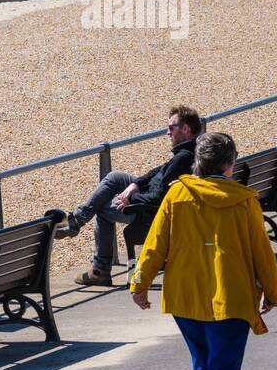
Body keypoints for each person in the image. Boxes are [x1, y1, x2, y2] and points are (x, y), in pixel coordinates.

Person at [130, 131, 277, 370]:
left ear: (199, 161)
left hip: (185, 294)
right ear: (230, 164)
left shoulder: (177, 194)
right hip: (230, 295)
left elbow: (156, 244)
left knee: (204, 363)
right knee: (224, 366)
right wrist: (272, 292)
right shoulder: (244, 200)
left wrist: (140, 283)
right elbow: (262, 253)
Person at [57, 105, 203, 287]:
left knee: (102, 209)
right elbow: (158, 171)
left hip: (148, 212)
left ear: (185, 129)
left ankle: (100, 270)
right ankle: (78, 219)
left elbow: (158, 197)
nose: (167, 133)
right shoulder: (195, 149)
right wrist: (135, 184)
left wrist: (130, 199)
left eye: (171, 128)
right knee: (115, 177)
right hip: (150, 196)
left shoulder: (184, 158)